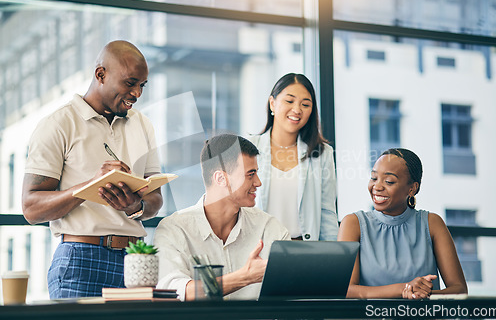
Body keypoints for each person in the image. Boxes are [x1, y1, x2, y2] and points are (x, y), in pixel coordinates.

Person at [22, 40, 163, 298]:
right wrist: (90, 186)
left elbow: (155, 199)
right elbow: (31, 208)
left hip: (135, 259)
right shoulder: (59, 124)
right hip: (80, 260)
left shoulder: (144, 125)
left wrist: (135, 206)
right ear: (101, 74)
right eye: (130, 83)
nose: (137, 94)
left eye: (142, 85)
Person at [154, 134, 290, 301]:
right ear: (220, 178)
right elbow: (175, 292)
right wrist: (245, 276)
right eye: (250, 174)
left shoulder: (270, 228)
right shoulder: (174, 229)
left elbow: (290, 291)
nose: (258, 182)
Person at [338, 148, 467, 299]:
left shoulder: (432, 223)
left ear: (412, 188)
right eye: (374, 178)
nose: (377, 187)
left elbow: (459, 290)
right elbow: (346, 290)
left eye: (389, 181)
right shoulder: (353, 224)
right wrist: (404, 289)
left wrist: (421, 295)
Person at [248, 73, 338, 241]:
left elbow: (327, 213)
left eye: (305, 104)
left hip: (305, 251)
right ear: (272, 104)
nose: (297, 110)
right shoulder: (248, 148)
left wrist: (331, 258)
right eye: (289, 101)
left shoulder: (322, 153)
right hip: (258, 250)